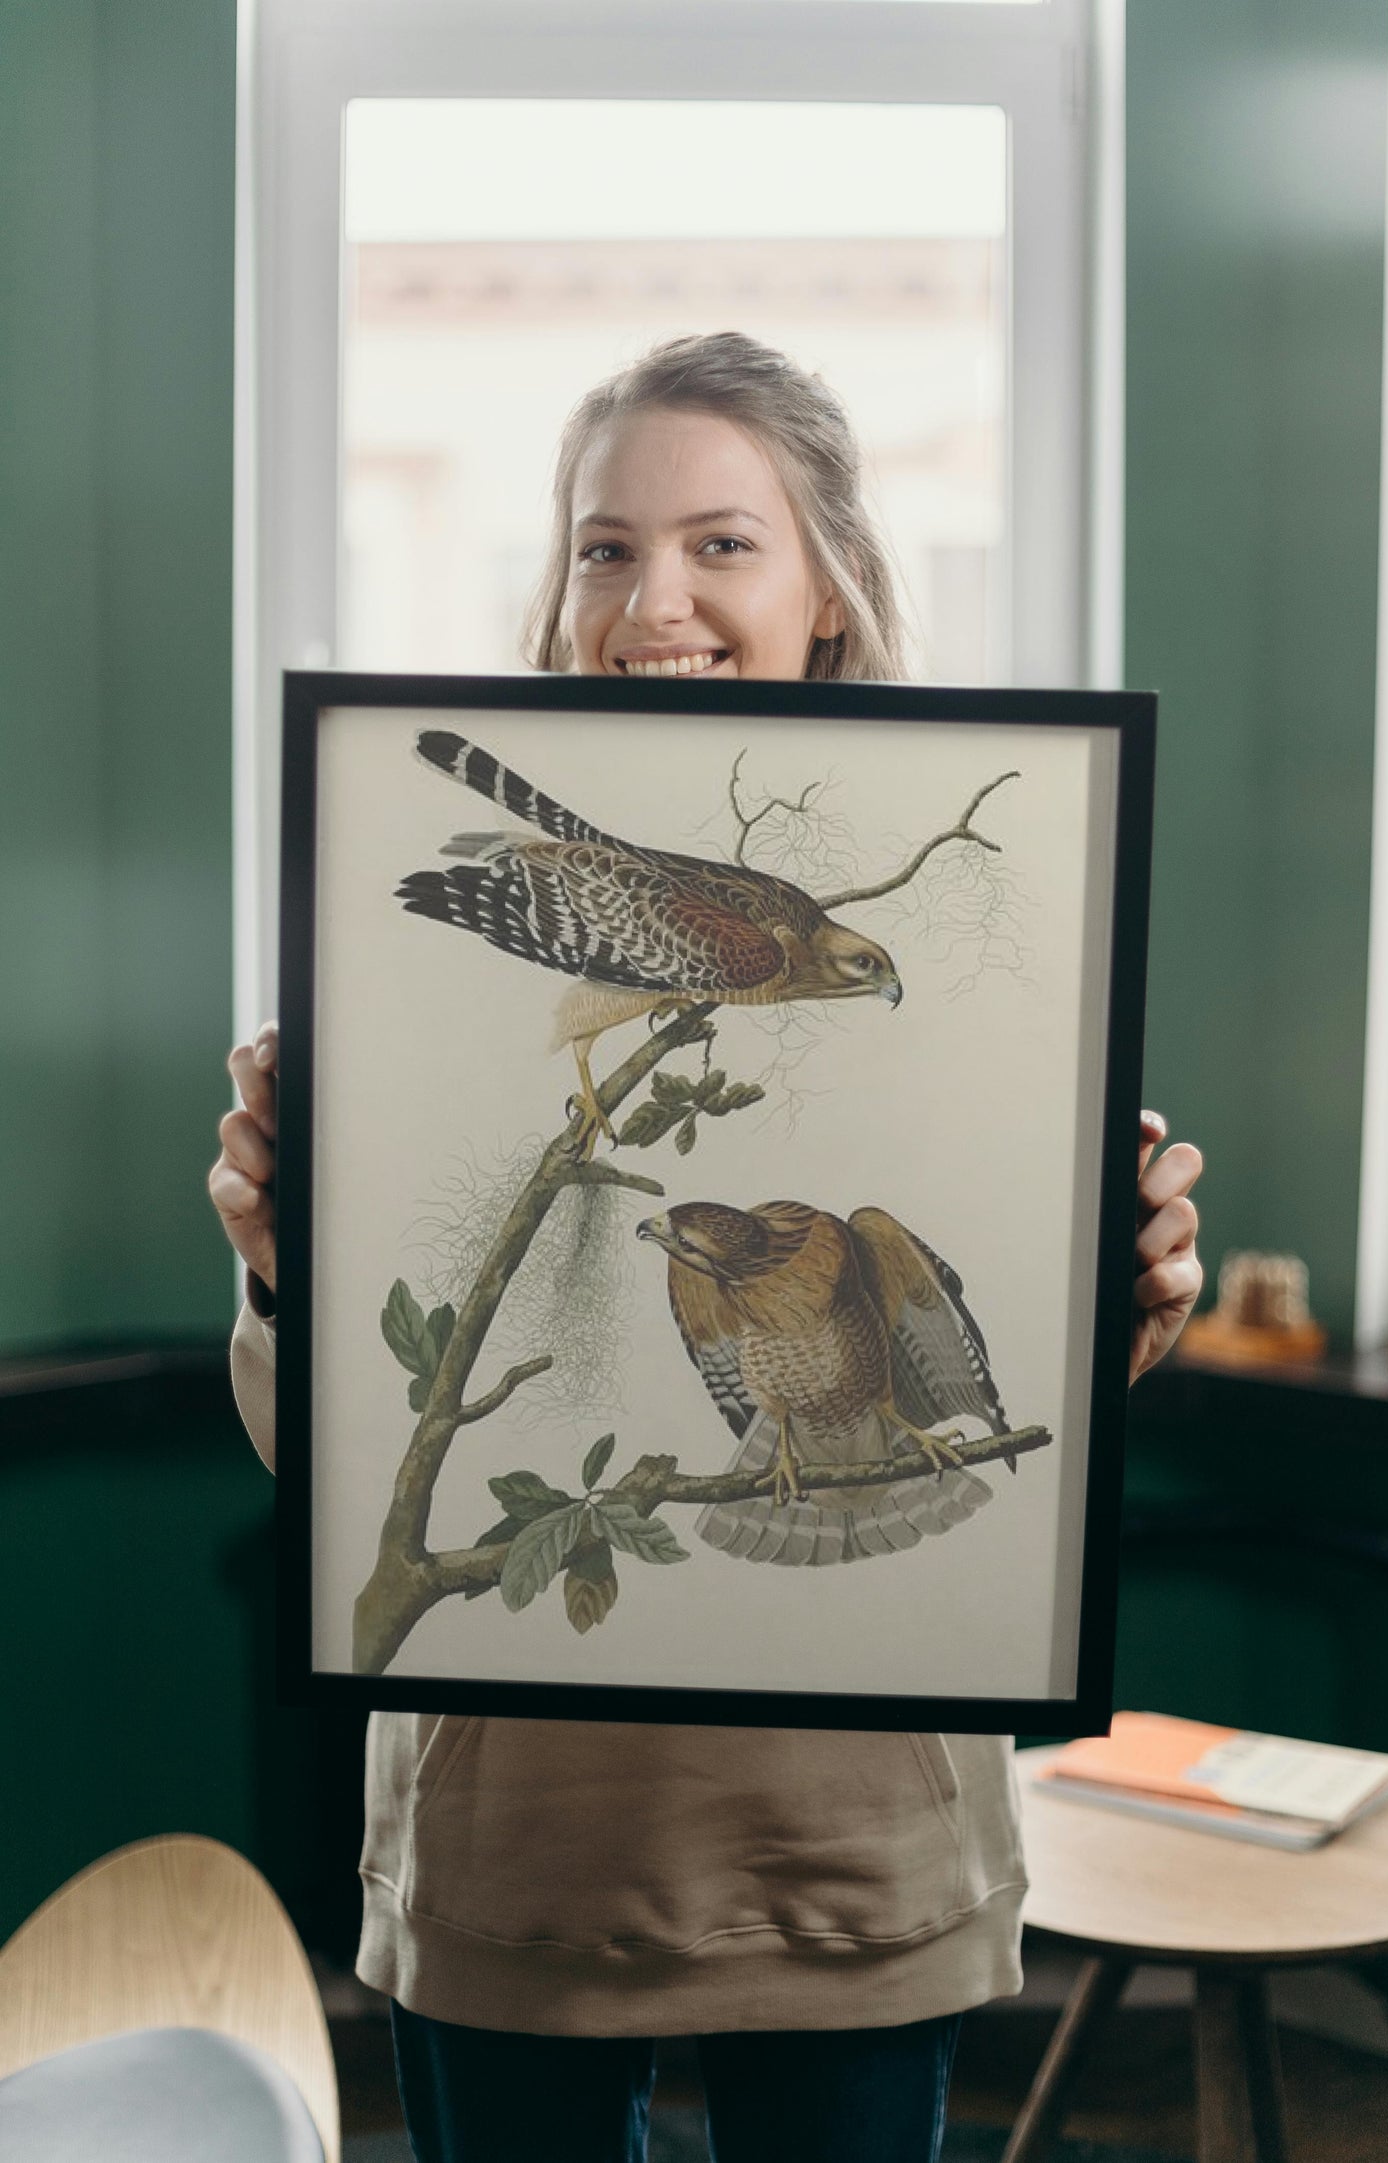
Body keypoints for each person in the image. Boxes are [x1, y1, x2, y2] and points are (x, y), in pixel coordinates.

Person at [210, 332, 1204, 2163]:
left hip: (851, 1831)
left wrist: (1117, 1303)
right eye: (603, 546)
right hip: (518, 1832)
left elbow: (1002, 1421)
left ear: (828, 584)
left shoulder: (1011, 921)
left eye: (720, 544)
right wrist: (286, 1269)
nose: (650, 597)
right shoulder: (381, 938)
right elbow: (343, 1464)